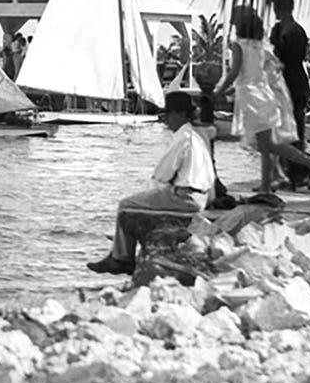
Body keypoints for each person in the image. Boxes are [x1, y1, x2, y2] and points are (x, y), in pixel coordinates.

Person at [86, 90, 215, 275]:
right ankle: (119, 251)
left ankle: (121, 258)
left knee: (126, 206)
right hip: (197, 196)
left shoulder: (183, 138)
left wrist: (145, 195)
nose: (167, 119)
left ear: (181, 114)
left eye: (169, 114)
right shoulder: (195, 136)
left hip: (184, 197)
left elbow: (162, 174)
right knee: (137, 202)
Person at [219, 5, 310, 195]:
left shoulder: (238, 46)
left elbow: (235, 72)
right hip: (265, 96)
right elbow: (275, 68)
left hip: (251, 98)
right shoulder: (263, 47)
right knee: (266, 145)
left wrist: (220, 90)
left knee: (266, 145)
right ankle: (268, 184)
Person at [269, 0, 310, 188]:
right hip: (289, 85)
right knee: (287, 133)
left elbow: (286, 58)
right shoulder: (284, 29)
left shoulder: (291, 32)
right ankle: (290, 173)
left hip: (291, 86)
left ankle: (299, 173)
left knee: (293, 134)